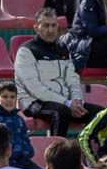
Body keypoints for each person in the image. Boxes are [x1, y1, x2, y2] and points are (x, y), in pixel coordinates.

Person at [16, 8, 102, 137]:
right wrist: (67, 103)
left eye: (53, 25)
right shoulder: (26, 51)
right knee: (61, 112)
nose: (50, 30)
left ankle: (85, 149)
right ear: (36, 27)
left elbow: (72, 78)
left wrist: (77, 101)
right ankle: (57, 152)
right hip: (33, 102)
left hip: (65, 102)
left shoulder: (62, 48)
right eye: (45, 25)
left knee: (100, 114)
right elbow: (34, 88)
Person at [0, 81, 42, 169]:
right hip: (2, 165)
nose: (9, 100)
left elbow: (25, 139)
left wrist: (27, 152)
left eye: (12, 97)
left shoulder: (18, 119)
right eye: (5, 97)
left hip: (22, 162)